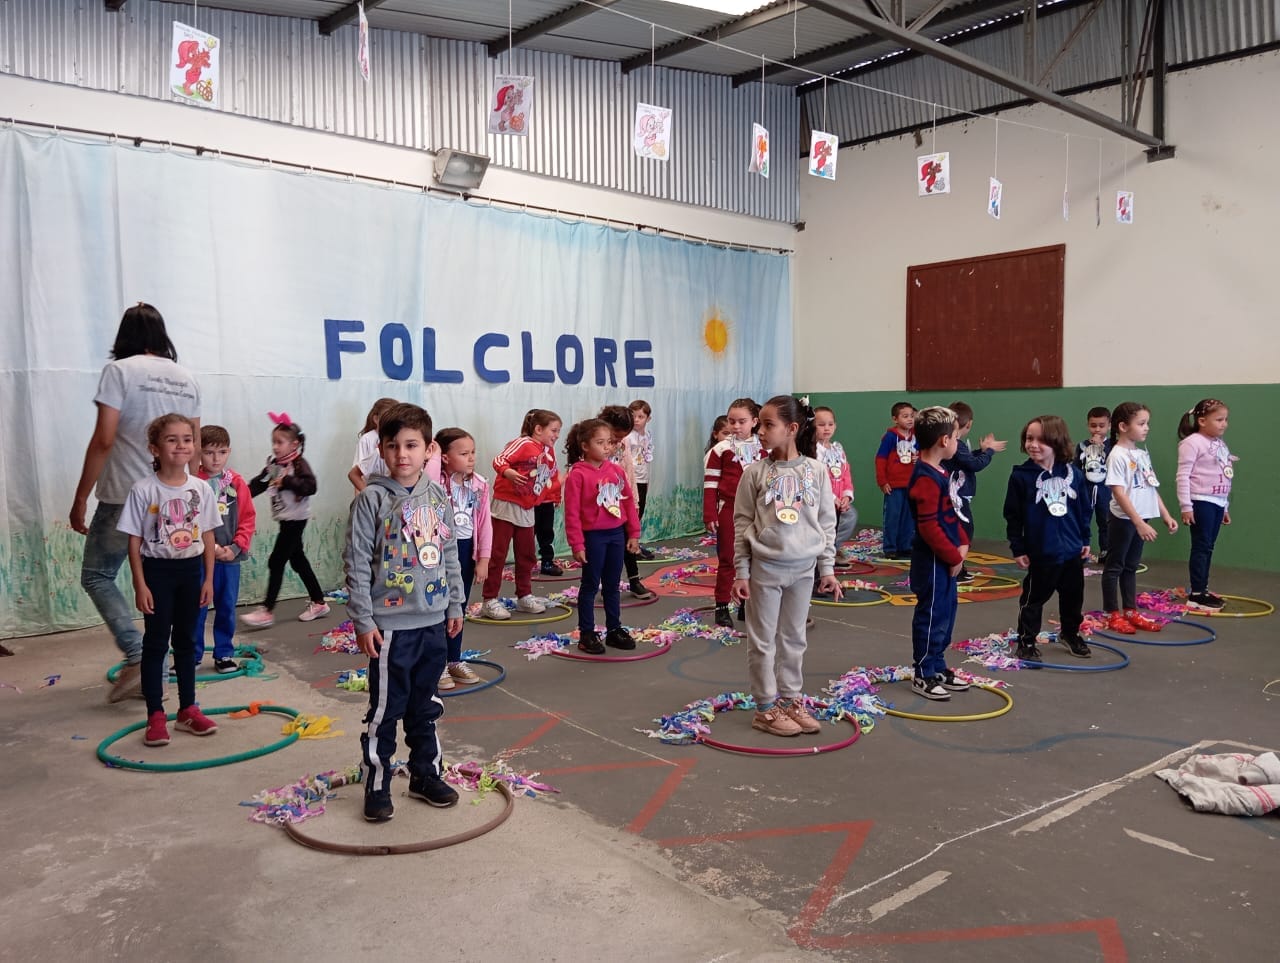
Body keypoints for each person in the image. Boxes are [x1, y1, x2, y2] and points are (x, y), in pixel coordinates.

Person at [70, 303, 201, 703]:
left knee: (97, 575)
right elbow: (193, 447)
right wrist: (193, 496)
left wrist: (81, 496)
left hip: (125, 494)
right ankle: (155, 675)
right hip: (173, 497)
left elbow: (104, 439)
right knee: (159, 582)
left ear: (124, 335)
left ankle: (138, 652)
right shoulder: (186, 378)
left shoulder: (119, 371)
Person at [343, 403, 463, 822]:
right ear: (380, 449)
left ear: (429, 449)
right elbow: (357, 563)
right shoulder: (371, 500)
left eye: (411, 445)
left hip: (433, 622)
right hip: (390, 629)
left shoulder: (437, 496)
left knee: (425, 706)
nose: (402, 454)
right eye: (392, 445)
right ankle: (377, 783)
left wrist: (455, 603)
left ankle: (425, 775)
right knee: (386, 710)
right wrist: (363, 620)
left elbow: (449, 553)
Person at [731, 395, 840, 737]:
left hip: (803, 570)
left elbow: (826, 523)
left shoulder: (816, 471)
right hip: (766, 569)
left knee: (794, 638)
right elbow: (742, 524)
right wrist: (742, 572)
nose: (760, 431)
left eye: (768, 425)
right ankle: (765, 707)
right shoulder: (754, 473)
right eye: (759, 425)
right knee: (763, 641)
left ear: (792, 429)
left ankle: (791, 699)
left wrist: (827, 568)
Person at [117, 413, 221, 746]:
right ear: (155, 449)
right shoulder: (143, 489)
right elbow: (134, 540)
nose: (181, 445)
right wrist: (140, 584)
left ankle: (188, 709)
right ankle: (156, 715)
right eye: (171, 439)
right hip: (157, 573)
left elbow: (207, 535)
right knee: (157, 643)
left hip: (191, 572)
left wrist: (208, 579)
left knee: (188, 642)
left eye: (187, 439)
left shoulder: (201, 488)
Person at [1003, 416, 1092, 663]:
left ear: (1056, 441)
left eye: (1041, 440)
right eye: (1029, 438)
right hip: (1041, 551)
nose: (1033, 444)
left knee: (1073, 596)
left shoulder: (1074, 474)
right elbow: (1013, 516)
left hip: (1072, 550)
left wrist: (1085, 538)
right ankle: (1026, 640)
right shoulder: (1021, 477)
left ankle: (1070, 633)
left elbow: (1084, 509)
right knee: (1033, 598)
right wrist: (1018, 547)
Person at [240, 414, 330, 628]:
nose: (275, 446)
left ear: (294, 444)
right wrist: (240, 494)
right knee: (298, 561)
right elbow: (260, 483)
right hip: (285, 520)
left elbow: (311, 486)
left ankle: (267, 610)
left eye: (280, 442)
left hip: (296, 520)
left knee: (276, 561)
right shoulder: (275, 465)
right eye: (273, 442)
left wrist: (287, 481)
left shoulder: (299, 465)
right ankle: (319, 602)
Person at [906, 406, 969, 701]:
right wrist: (953, 556)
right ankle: (924, 672)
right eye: (956, 437)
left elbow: (950, 514)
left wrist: (962, 542)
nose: (957, 442)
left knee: (947, 612)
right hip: (932, 560)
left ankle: (938, 664)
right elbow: (929, 526)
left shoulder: (941, 472)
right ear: (945, 440)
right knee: (932, 615)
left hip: (945, 559)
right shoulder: (925, 478)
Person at [563, 419, 642, 654]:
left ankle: (614, 629)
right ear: (585, 446)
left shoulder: (616, 471)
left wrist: (633, 533)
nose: (607, 447)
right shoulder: (577, 475)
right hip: (593, 537)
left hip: (616, 535)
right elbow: (572, 513)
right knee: (590, 585)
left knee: (612, 584)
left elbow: (628, 504)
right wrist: (577, 544)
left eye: (609, 442)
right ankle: (587, 633)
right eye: (600, 442)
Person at [1101, 402, 1178, 634]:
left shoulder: (1141, 454)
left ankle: (1130, 610)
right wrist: (1138, 522)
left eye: (1147, 423)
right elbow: (1118, 492)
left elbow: (1150, 486)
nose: (1147, 428)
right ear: (1123, 426)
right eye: (1141, 423)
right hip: (1125, 520)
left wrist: (1165, 514)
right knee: (1115, 566)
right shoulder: (1117, 455)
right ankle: (1112, 613)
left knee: (1131, 566)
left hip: (1142, 519)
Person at [479, 409, 561, 620]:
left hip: (527, 506)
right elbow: (500, 459)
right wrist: (508, 472)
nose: (557, 435)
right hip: (506, 504)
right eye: (554, 430)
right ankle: (489, 599)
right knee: (498, 553)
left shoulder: (549, 452)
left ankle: (524, 595)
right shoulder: (523, 443)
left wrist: (555, 496)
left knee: (527, 554)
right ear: (538, 429)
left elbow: (550, 478)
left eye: (558, 431)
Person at [194, 425, 256, 673]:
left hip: (229, 559)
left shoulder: (236, 483)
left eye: (221, 452)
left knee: (226, 607)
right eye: (209, 452)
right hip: (199, 560)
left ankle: (224, 654)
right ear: (198, 453)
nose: (215, 458)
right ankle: (192, 655)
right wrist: (205, 548)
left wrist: (235, 547)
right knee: (195, 609)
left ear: (228, 452)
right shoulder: (192, 482)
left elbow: (248, 518)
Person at [435, 427, 492, 688]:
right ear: (444, 457)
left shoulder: (479, 485)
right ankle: (436, 664)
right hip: (438, 553)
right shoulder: (433, 483)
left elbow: (485, 523)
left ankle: (453, 659)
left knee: (457, 606)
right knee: (437, 608)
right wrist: (434, 454)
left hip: (466, 549)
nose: (471, 458)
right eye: (464, 453)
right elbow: (430, 472)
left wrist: (483, 559)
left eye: (473, 452)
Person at [704, 399, 765, 628]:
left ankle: (745, 604)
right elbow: (710, 483)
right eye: (731, 421)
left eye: (742, 421)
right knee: (728, 558)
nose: (736, 426)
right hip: (729, 509)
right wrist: (710, 514)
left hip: (758, 512)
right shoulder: (721, 449)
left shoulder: (765, 448)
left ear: (754, 421)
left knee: (756, 558)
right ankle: (721, 606)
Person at [1176, 398, 1236, 611]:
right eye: (1219, 420)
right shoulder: (1192, 443)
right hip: (1201, 500)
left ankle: (1203, 588)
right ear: (1202, 421)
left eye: (1225, 419)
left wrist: (1225, 506)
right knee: (1201, 546)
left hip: (1217, 502)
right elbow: (1183, 476)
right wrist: (1186, 506)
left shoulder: (1220, 444)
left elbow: (1225, 475)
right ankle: (1196, 595)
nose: (1224, 424)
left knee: (1208, 547)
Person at [941, 400, 1006, 583]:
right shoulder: (957, 444)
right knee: (964, 532)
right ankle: (955, 570)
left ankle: (958, 567)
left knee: (960, 532)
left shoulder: (956, 445)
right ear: (969, 424)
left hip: (957, 497)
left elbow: (966, 460)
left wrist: (982, 451)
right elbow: (974, 464)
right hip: (956, 497)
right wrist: (989, 452)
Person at [599, 405, 655, 600]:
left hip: (621, 498)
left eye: (621, 437)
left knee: (628, 539)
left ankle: (634, 580)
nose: (617, 441)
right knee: (605, 546)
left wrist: (634, 501)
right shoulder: (595, 441)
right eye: (615, 436)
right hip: (602, 500)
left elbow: (628, 470)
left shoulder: (623, 443)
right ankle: (605, 584)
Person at [813, 406, 857, 567]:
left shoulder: (837, 449)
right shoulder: (813, 451)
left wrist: (846, 495)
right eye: (821, 425)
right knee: (823, 527)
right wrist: (831, 498)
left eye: (830, 424)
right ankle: (819, 554)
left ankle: (831, 550)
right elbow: (817, 479)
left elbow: (845, 474)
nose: (826, 428)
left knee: (849, 517)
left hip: (838, 502)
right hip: (822, 501)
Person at [875, 401, 918, 559]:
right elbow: (880, 459)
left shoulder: (916, 437)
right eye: (905, 416)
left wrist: (919, 458)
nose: (910, 419)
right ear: (895, 419)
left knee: (909, 517)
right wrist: (882, 481)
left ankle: (905, 546)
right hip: (894, 486)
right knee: (892, 517)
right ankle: (890, 547)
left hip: (911, 484)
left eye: (912, 416)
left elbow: (923, 453)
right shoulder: (890, 437)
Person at [1076, 406, 1113, 563]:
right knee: (1083, 519)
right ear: (1088, 425)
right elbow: (1076, 467)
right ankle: (1080, 552)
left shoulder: (1113, 445)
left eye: (1101, 426)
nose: (1097, 429)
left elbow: (1114, 462)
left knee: (1105, 521)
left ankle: (1106, 552)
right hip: (1086, 489)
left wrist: (1101, 447)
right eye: (1093, 425)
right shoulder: (1082, 446)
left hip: (1105, 490)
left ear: (1109, 426)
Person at [624, 399, 655, 559]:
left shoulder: (647, 435)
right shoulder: (628, 436)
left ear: (648, 419)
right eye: (633, 416)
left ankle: (634, 543)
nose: (636, 420)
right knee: (632, 512)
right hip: (631, 478)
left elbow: (646, 456)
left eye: (640, 417)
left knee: (639, 511)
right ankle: (629, 547)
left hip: (642, 477)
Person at [348, 397, 398, 493]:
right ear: (376, 419)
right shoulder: (367, 440)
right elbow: (357, 474)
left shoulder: (399, 438)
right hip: (374, 490)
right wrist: (364, 496)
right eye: (387, 418)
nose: (392, 423)